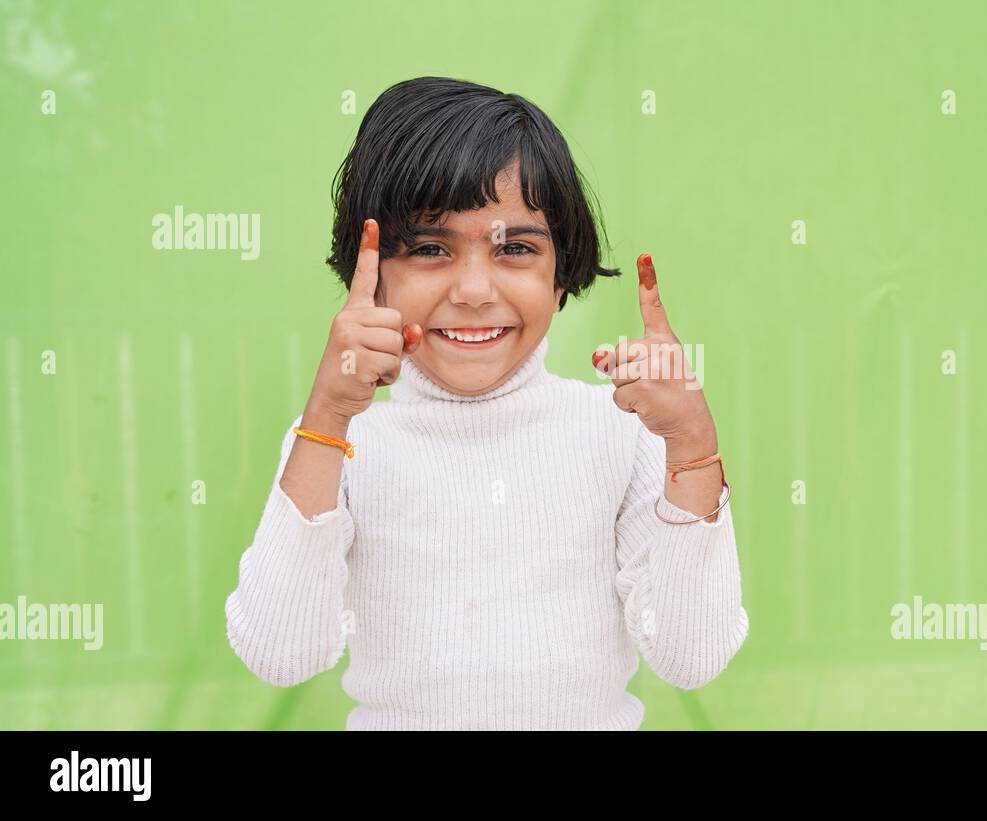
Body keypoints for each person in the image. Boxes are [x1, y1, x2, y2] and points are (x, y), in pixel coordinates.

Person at [223, 76, 748, 729]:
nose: (474, 289)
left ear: (562, 275)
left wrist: (693, 449)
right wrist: (326, 418)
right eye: (430, 248)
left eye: (515, 248)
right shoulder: (340, 442)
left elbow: (691, 655)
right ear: (374, 271)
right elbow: (280, 652)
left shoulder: (619, 433)